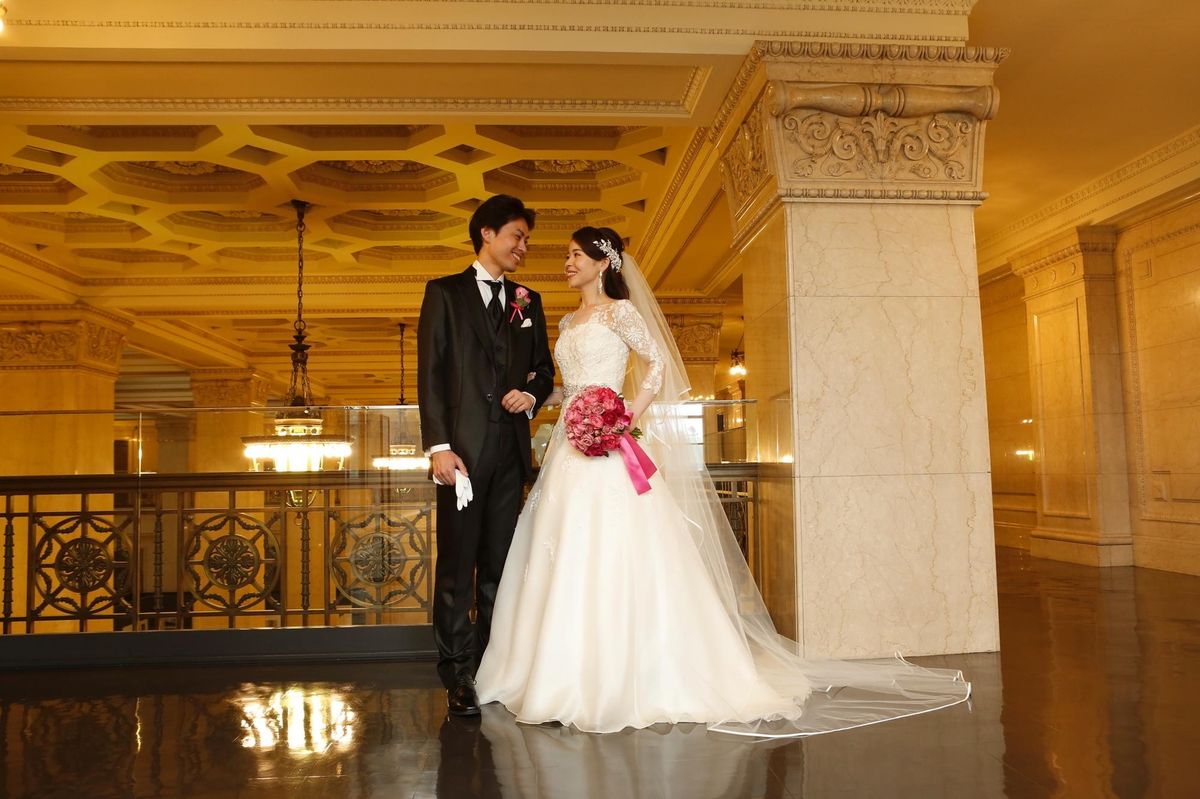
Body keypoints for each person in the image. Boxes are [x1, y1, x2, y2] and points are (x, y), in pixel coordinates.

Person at [474, 226, 971, 737]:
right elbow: (574, 385)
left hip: (611, 443)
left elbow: (657, 364)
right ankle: (557, 669)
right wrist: (543, 397)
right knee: (561, 545)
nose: (568, 262)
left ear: (603, 264)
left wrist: (623, 416)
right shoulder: (566, 319)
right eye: (568, 255)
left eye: (576, 255)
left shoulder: (620, 313)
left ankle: (631, 672)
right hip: (569, 445)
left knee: (614, 544)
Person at [417, 194, 555, 717]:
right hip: (462, 457)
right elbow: (431, 373)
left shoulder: (529, 301)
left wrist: (532, 395)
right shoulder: (444, 293)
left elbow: (543, 369)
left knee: (500, 566)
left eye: (526, 240)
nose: (524, 247)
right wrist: (439, 447)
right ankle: (457, 676)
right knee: (457, 569)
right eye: (517, 236)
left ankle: (492, 670)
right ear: (487, 235)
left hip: (510, 453)